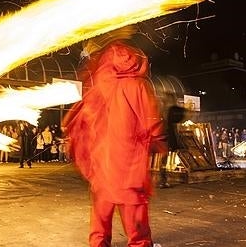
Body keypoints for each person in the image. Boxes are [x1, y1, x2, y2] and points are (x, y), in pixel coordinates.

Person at [62, 26, 167, 247]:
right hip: (129, 161)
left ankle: (99, 243)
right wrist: (158, 143)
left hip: (103, 158)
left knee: (101, 207)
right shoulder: (139, 86)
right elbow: (151, 122)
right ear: (136, 60)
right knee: (133, 210)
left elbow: (86, 116)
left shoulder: (100, 83)